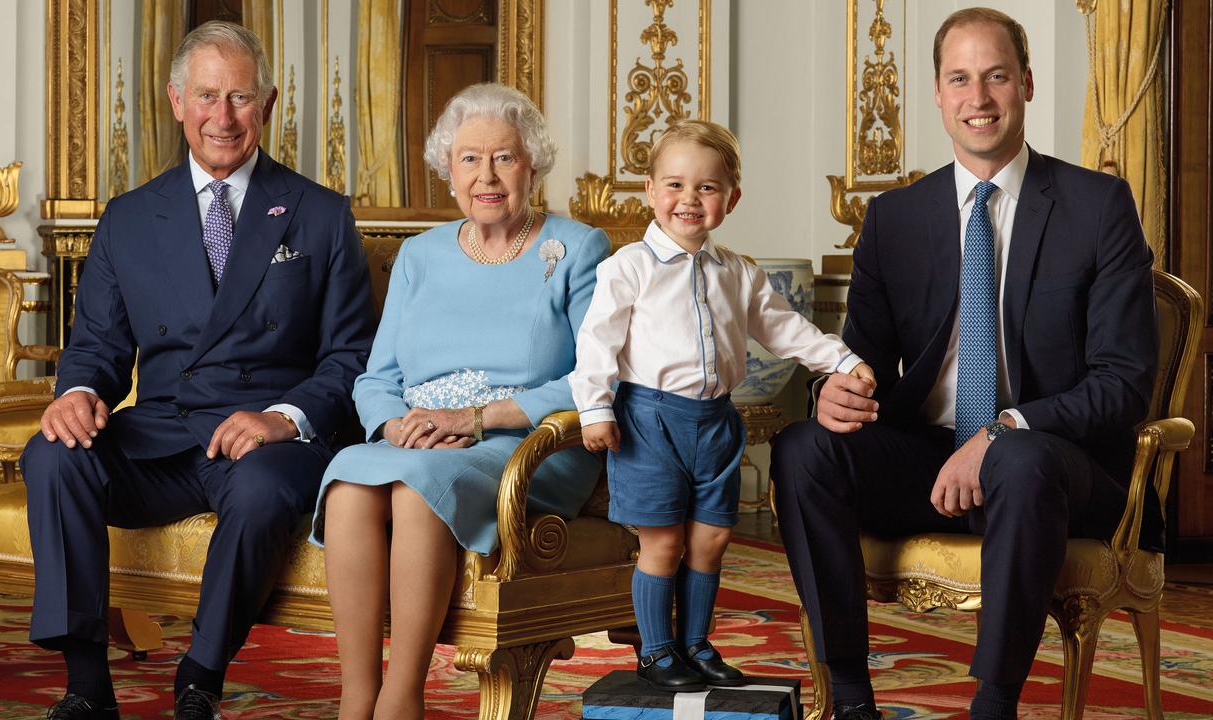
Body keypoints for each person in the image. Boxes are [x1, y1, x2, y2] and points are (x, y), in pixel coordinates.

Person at [770, 8, 1158, 720]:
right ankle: (851, 698)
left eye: (996, 76)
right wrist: (836, 393)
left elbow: (1124, 381)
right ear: (939, 96)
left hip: (1057, 464)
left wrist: (1004, 428)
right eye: (960, 79)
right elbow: (865, 360)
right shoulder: (895, 218)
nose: (978, 97)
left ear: (1027, 85)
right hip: (929, 462)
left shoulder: (1097, 207)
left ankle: (994, 704)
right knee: (803, 448)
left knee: (1019, 458)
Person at [20, 21, 376, 720]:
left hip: (265, 440)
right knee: (52, 456)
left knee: (263, 492)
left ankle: (201, 675)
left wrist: (284, 418)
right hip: (159, 436)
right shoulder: (127, 218)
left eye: (240, 98)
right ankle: (87, 681)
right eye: (207, 96)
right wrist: (80, 393)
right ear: (177, 100)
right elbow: (96, 345)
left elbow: (351, 357)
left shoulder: (322, 216)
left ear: (268, 106)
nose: (223, 117)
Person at [311, 82, 608, 720]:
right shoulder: (419, 256)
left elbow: (594, 379)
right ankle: (356, 695)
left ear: (532, 164)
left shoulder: (577, 248)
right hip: (419, 439)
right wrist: (393, 426)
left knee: (417, 484)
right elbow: (375, 377)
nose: (487, 175)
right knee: (348, 481)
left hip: (525, 443)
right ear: (450, 171)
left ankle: (401, 696)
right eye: (469, 159)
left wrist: (476, 420)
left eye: (504, 157)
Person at [571, 120, 875, 692]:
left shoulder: (735, 271)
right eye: (675, 185)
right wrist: (595, 409)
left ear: (731, 199)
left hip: (715, 422)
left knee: (710, 538)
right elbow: (596, 342)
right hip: (649, 420)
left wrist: (839, 360)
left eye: (707, 188)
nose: (689, 199)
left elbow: (782, 328)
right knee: (662, 540)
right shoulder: (627, 267)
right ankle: (656, 650)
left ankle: (695, 642)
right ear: (650, 191)